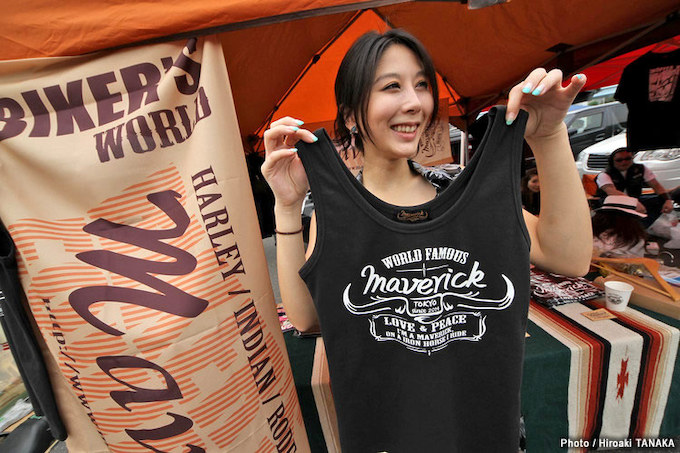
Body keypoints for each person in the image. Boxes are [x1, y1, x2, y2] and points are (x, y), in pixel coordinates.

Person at [261, 29, 591, 452]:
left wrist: (548, 136)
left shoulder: (463, 192)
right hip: (388, 436)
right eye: (391, 86)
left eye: (421, 85)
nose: (415, 102)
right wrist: (287, 207)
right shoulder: (337, 211)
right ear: (350, 115)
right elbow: (309, 319)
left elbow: (569, 257)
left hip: (482, 435)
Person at [595, 147, 679, 226]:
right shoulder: (604, 174)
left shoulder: (641, 169)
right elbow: (612, 192)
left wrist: (667, 200)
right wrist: (633, 203)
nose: (624, 162)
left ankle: (645, 225)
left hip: (636, 199)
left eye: (627, 159)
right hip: (613, 203)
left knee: (662, 200)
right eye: (619, 160)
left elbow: (656, 185)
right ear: (612, 161)